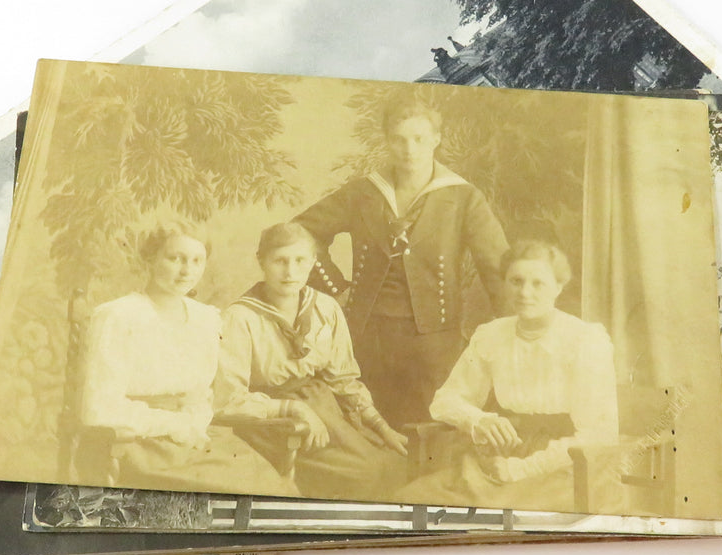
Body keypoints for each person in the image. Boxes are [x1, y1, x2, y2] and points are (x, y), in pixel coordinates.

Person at [293, 94, 509, 428]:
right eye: (399, 140)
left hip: (435, 341)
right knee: (370, 428)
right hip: (367, 336)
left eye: (419, 139)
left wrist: (511, 326)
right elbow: (299, 232)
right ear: (387, 141)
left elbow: (497, 268)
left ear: (436, 140)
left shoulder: (463, 197)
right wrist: (336, 286)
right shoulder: (363, 192)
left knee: (432, 431)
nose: (409, 149)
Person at [398, 240, 619, 513]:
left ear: (559, 287)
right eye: (516, 281)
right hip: (498, 454)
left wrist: (520, 469)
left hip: (565, 464)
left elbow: (599, 434)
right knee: (413, 498)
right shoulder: (492, 335)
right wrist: (478, 420)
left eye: (538, 283)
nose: (525, 292)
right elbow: (445, 401)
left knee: (496, 515)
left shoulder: (584, 340)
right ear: (505, 284)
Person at [80, 221, 298, 496]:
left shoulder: (204, 318)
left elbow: (201, 396)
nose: (187, 271)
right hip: (136, 442)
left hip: (194, 436)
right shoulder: (119, 316)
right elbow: (99, 409)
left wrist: (192, 422)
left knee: (272, 488)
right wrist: (175, 425)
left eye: (197, 260)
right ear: (150, 258)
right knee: (230, 491)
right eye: (175, 259)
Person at [216, 222, 408, 500]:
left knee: (394, 465)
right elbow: (227, 400)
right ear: (262, 262)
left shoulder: (325, 307)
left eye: (300, 260)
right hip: (272, 424)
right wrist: (293, 408)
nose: (290, 272)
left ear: (313, 262)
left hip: (325, 409)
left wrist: (380, 425)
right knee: (366, 475)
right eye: (280, 261)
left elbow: (342, 380)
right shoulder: (240, 318)